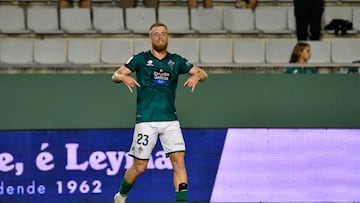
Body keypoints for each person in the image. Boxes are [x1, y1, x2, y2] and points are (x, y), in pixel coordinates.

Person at [112, 22, 208, 203]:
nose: (160, 36)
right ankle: (121, 195)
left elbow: (203, 73)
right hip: (146, 120)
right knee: (140, 166)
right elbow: (115, 75)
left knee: (179, 160)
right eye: (155, 34)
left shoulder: (177, 61)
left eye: (163, 33)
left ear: (168, 37)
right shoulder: (140, 59)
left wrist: (197, 75)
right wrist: (123, 76)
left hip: (170, 120)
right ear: (150, 38)